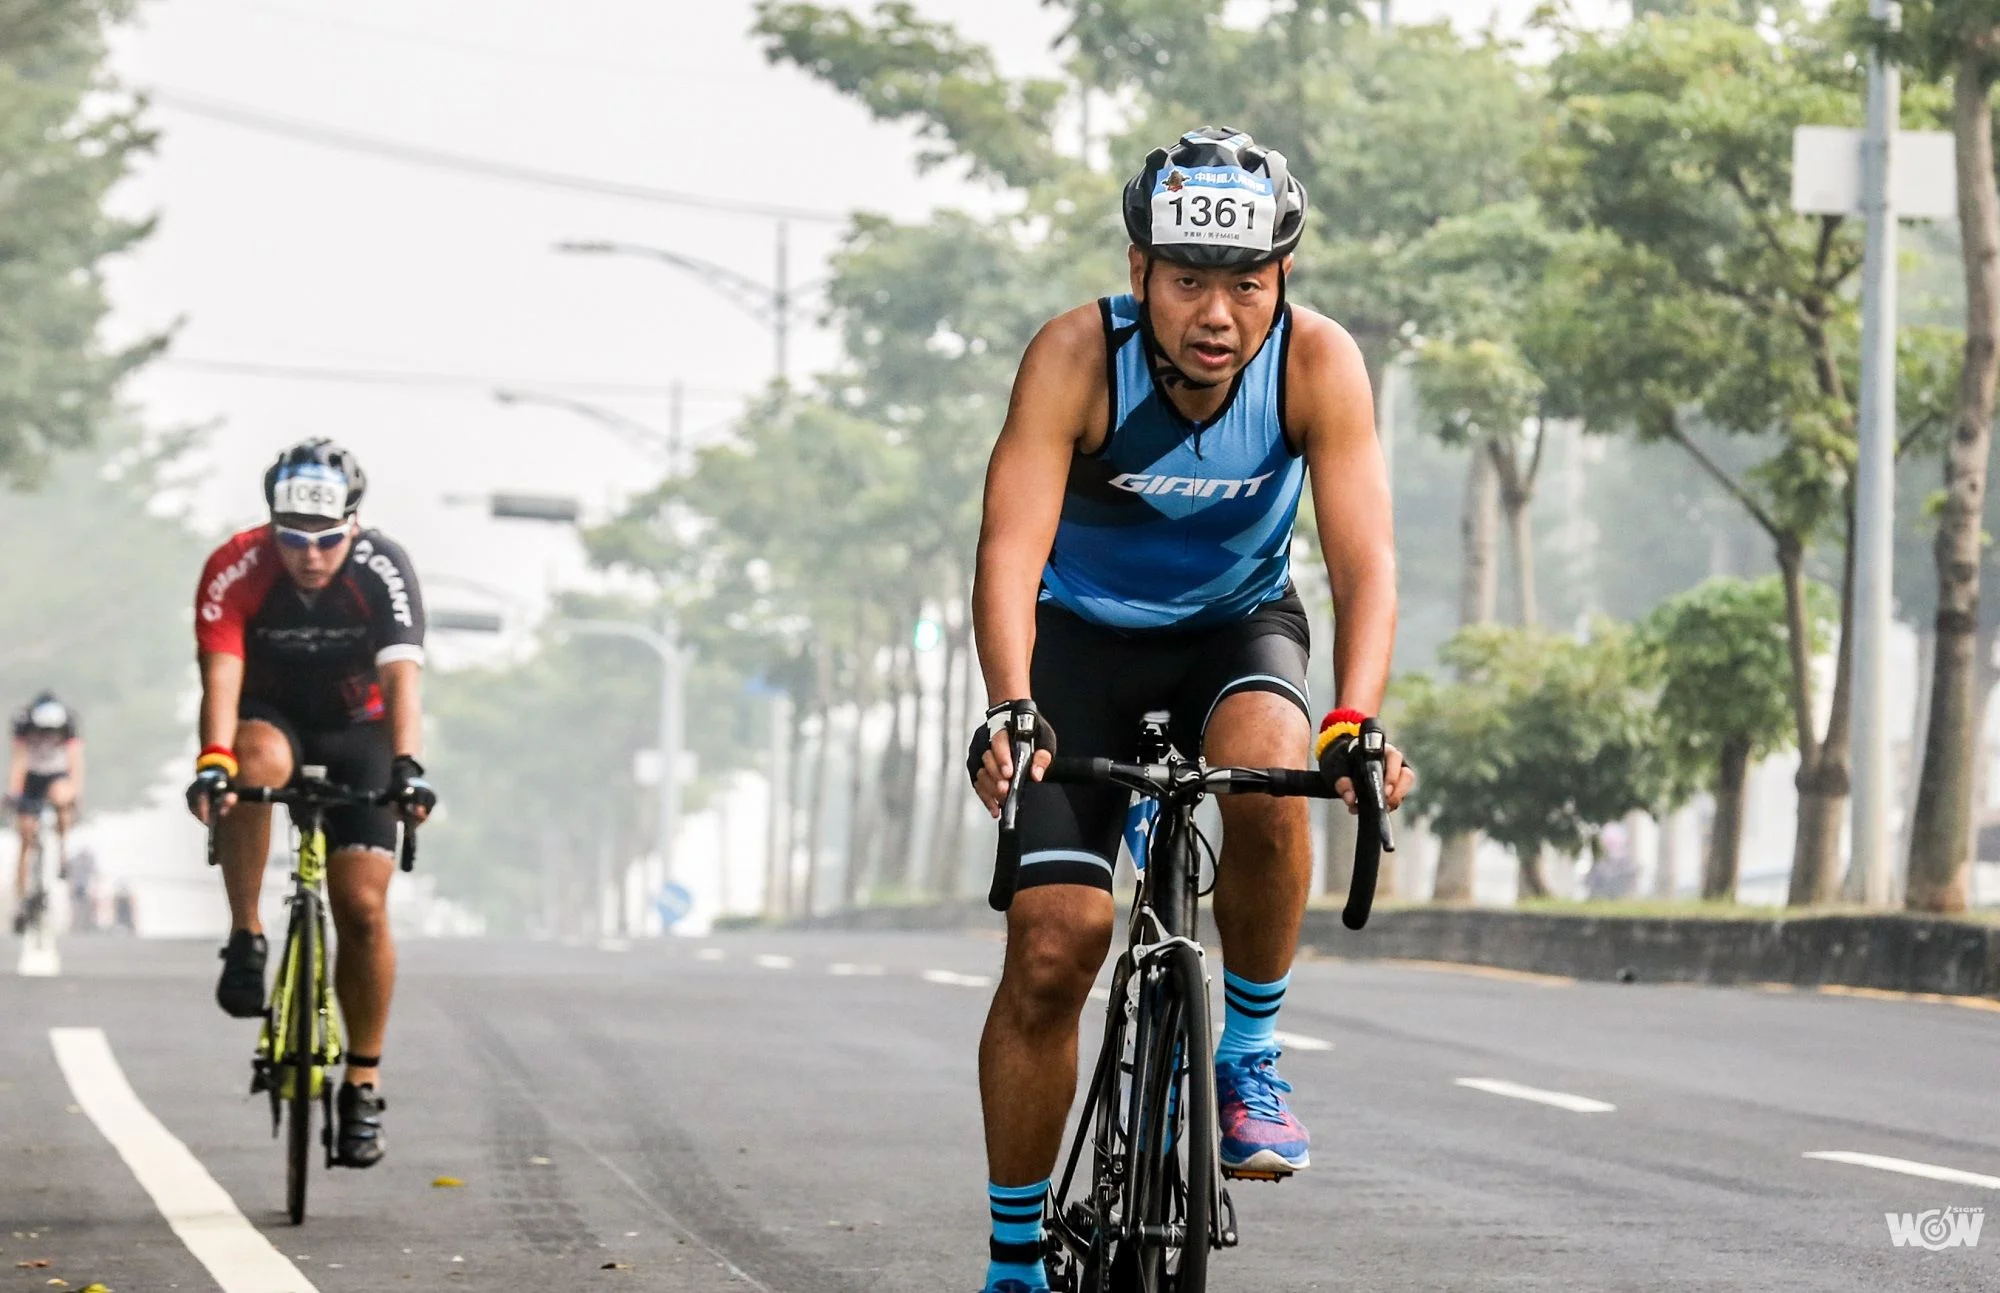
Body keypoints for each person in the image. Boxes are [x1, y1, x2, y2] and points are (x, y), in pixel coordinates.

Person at [965, 127, 1415, 1293]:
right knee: (1054, 948)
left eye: (1245, 284)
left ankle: (1251, 1051)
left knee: (1276, 768)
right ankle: (1015, 1261)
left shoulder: (1317, 365)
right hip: (1079, 649)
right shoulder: (1073, 357)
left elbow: (1364, 562)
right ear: (1138, 276)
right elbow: (1009, 551)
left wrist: (1354, 720)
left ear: (1281, 281)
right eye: (1187, 282)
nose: (1215, 313)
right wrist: (1010, 707)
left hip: (1235, 629)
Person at [186, 438, 436, 1168]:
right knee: (249, 762)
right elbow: (221, 676)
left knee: (361, 908)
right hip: (272, 715)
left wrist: (408, 768)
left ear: (353, 525)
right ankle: (246, 933)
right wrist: (212, 763)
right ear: (273, 526)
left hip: (359, 726)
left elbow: (402, 683)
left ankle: (361, 1082)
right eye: (293, 538)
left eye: (327, 539)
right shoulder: (237, 564)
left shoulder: (382, 568)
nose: (310, 555)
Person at [9, 691, 83, 935]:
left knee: (63, 799)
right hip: (32, 778)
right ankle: (21, 900)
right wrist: (14, 793)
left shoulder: (68, 725)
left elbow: (75, 763)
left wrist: (74, 794)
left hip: (56, 775)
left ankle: (62, 850)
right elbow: (18, 762)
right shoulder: (24, 724)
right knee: (26, 836)